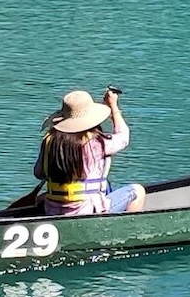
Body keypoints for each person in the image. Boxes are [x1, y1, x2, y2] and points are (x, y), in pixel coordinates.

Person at [34, 88, 144, 217]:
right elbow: (123, 138)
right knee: (138, 191)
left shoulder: (50, 141)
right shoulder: (97, 143)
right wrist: (113, 106)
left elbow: (39, 173)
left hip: (53, 208)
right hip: (88, 210)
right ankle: (126, 231)